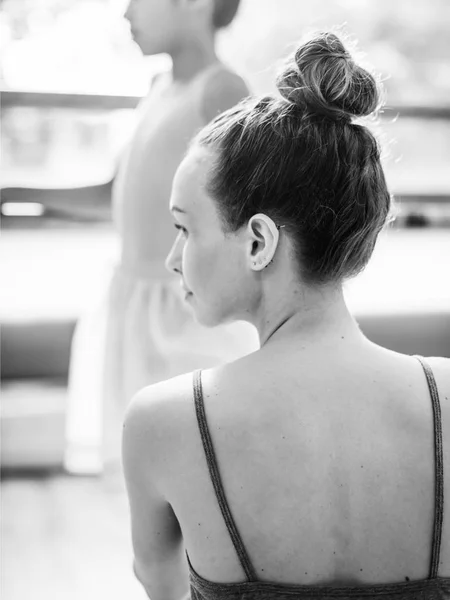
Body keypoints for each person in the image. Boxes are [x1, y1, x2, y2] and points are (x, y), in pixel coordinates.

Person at [122, 31, 450, 600]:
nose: (174, 259)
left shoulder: (165, 423)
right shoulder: (446, 398)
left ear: (258, 242)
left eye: (184, 228)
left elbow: (162, 584)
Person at [64, 0, 259, 474]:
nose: (126, 14)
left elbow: (249, 205)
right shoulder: (158, 89)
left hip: (184, 318)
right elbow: (117, 190)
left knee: (194, 468)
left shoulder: (222, 90)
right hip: (134, 309)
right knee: (145, 476)